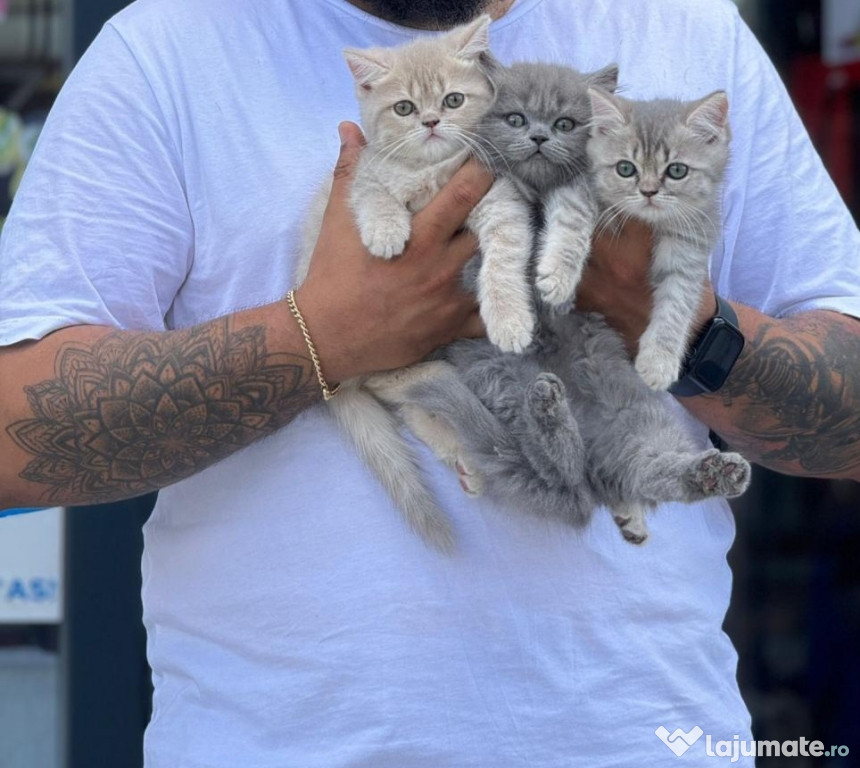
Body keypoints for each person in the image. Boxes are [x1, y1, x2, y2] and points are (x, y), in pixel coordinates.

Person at [0, 0, 858, 764]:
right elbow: (14, 432)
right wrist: (322, 337)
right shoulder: (166, 53)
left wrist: (680, 323)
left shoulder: (682, 29)